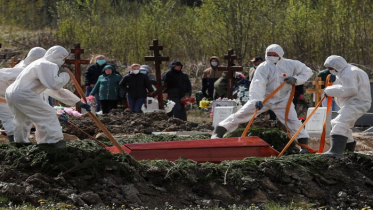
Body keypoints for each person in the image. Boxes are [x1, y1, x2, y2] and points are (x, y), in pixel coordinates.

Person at [211, 44, 313, 154]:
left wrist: (296, 79)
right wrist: (257, 100)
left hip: (282, 100)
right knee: (242, 114)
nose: (271, 56)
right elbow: (258, 83)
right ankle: (219, 131)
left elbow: (307, 71)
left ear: (280, 55)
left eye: (274, 54)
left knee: (292, 120)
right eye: (269, 54)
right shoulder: (263, 67)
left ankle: (304, 146)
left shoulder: (291, 64)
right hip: (264, 98)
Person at [5, 46, 91, 148]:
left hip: (12, 93)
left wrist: (78, 102)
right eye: (63, 58)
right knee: (48, 115)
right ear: (59, 56)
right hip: (24, 94)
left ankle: (20, 143)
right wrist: (65, 75)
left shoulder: (38, 64)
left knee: (22, 120)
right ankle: (52, 142)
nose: (63, 61)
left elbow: (54, 90)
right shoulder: (47, 65)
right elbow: (54, 85)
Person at [322, 55, 371, 158]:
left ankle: (336, 152)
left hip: (357, 103)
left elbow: (351, 90)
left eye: (331, 68)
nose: (330, 71)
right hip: (354, 103)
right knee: (344, 126)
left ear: (336, 65)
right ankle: (348, 152)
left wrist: (329, 91)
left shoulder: (349, 72)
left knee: (338, 122)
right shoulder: (345, 71)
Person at [0, 47, 46, 142]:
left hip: (14, 98)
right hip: (3, 96)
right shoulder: (24, 69)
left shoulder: (35, 70)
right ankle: (16, 146)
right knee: (10, 120)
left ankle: (20, 144)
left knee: (21, 121)